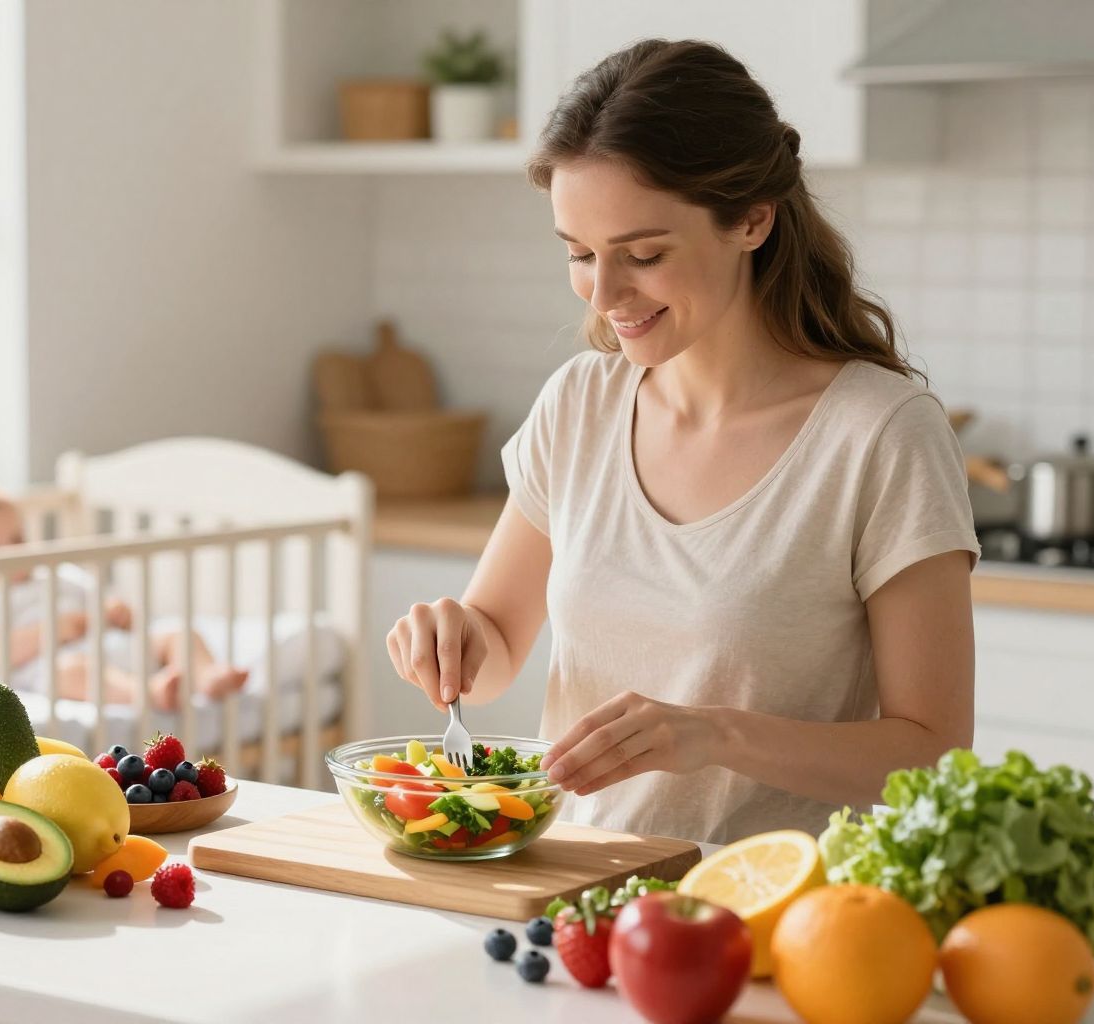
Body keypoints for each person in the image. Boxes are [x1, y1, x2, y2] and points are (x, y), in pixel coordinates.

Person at [385, 40, 978, 845]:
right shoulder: (580, 405)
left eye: (645, 254)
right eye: (579, 254)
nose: (605, 293)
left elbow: (935, 756)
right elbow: (489, 657)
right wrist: (448, 639)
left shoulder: (880, 435)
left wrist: (715, 735)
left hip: (780, 918)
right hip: (587, 896)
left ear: (752, 219)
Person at [0, 481, 247, 711]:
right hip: (57, 664)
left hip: (114, 646)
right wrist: (55, 629)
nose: (10, 551)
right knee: (71, 671)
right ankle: (147, 693)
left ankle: (207, 676)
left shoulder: (54, 573)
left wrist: (115, 611)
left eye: (17, 538)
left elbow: (102, 600)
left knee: (179, 633)